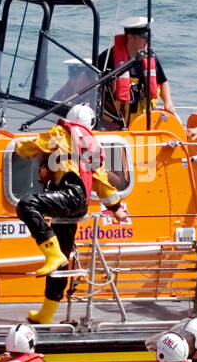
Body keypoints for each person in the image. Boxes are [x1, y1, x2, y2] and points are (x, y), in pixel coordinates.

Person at [14, 104, 129, 325]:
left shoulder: (60, 133)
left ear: (67, 120)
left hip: (67, 195)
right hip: (79, 204)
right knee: (62, 260)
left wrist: (18, 146)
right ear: (91, 125)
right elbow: (102, 183)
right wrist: (116, 209)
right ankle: (47, 313)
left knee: (26, 204)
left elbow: (32, 147)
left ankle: (51, 253)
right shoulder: (92, 147)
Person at [95, 16, 176, 127]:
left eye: (149, 36)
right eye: (144, 37)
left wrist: (168, 102)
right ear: (131, 37)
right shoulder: (108, 57)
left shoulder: (150, 57)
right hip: (115, 120)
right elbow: (90, 81)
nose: (147, 40)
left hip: (142, 118)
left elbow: (163, 81)